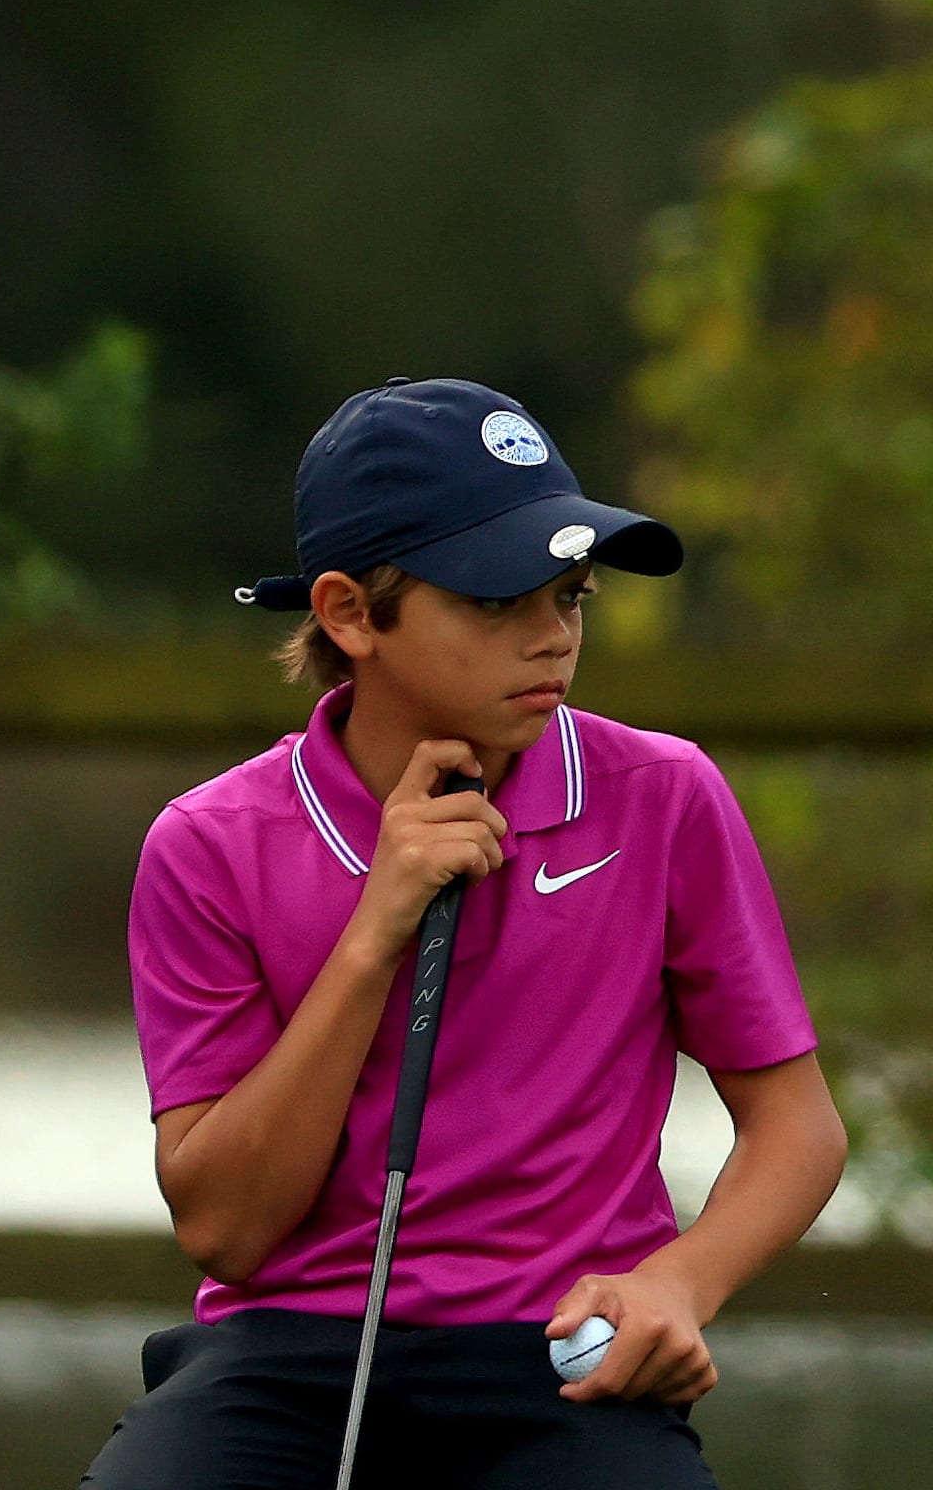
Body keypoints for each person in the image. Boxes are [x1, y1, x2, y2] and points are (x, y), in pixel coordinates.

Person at [84, 377, 846, 1489]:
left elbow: (800, 1125)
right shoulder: (210, 843)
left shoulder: (664, 797)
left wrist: (679, 1282)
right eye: (498, 602)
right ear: (350, 613)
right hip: (288, 1356)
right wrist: (371, 932)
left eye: (571, 593)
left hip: (561, 1357)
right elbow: (227, 1230)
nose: (554, 638)